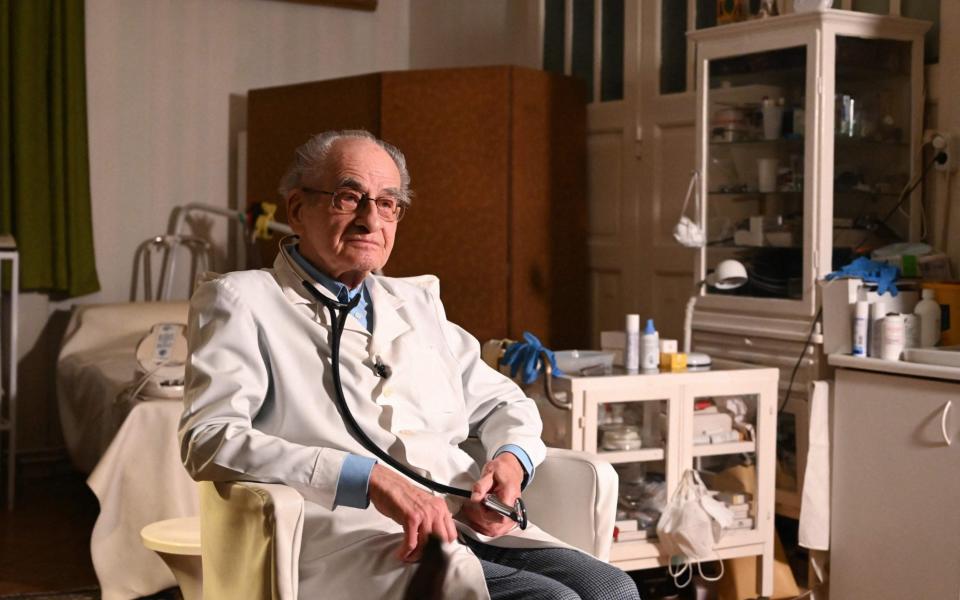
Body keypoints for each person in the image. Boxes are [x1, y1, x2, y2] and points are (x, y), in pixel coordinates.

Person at [179, 130, 640, 600]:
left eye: (387, 203)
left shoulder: (416, 302)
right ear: (297, 209)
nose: (369, 219)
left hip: (461, 520)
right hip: (350, 535)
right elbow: (209, 437)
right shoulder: (241, 300)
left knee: (613, 589)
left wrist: (510, 460)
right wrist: (366, 478)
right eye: (348, 197)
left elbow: (503, 401)